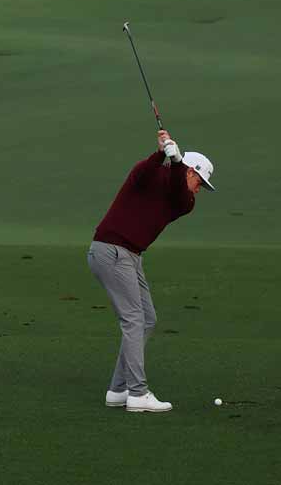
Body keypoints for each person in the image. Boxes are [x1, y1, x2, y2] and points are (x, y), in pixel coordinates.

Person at [86, 129, 216, 413]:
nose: (199, 190)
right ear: (190, 172)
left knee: (147, 319)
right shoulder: (154, 175)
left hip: (130, 256)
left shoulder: (183, 202)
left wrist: (177, 161)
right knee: (134, 320)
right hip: (111, 250)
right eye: (199, 182)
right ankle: (138, 393)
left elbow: (179, 194)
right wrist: (161, 154)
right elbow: (139, 174)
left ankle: (118, 389)